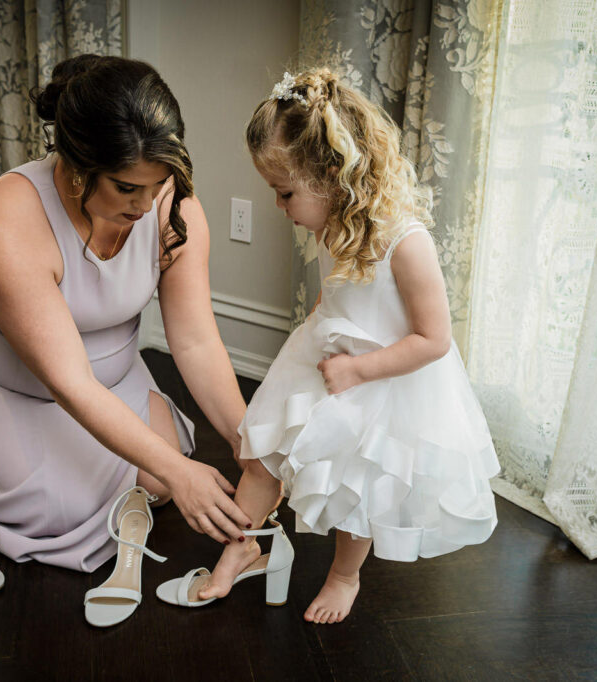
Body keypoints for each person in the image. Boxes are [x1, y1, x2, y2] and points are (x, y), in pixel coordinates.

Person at [163, 69, 499, 623]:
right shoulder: (333, 223)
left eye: (285, 192)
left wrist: (360, 370)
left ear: (333, 173)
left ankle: (345, 575)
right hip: (323, 358)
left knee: (354, 490)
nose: (279, 206)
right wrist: (321, 322)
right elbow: (340, 289)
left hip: (382, 379)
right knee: (262, 455)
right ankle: (240, 549)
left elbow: (434, 339)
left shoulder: (407, 242)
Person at [0, 54, 252, 574]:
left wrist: (245, 441)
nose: (147, 206)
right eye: (127, 188)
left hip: (111, 372)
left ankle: (111, 438)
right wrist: (180, 466)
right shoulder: (10, 217)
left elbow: (194, 341)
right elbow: (69, 382)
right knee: (61, 513)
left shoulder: (171, 205)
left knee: (162, 484)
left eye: (159, 182)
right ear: (79, 169)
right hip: (6, 377)